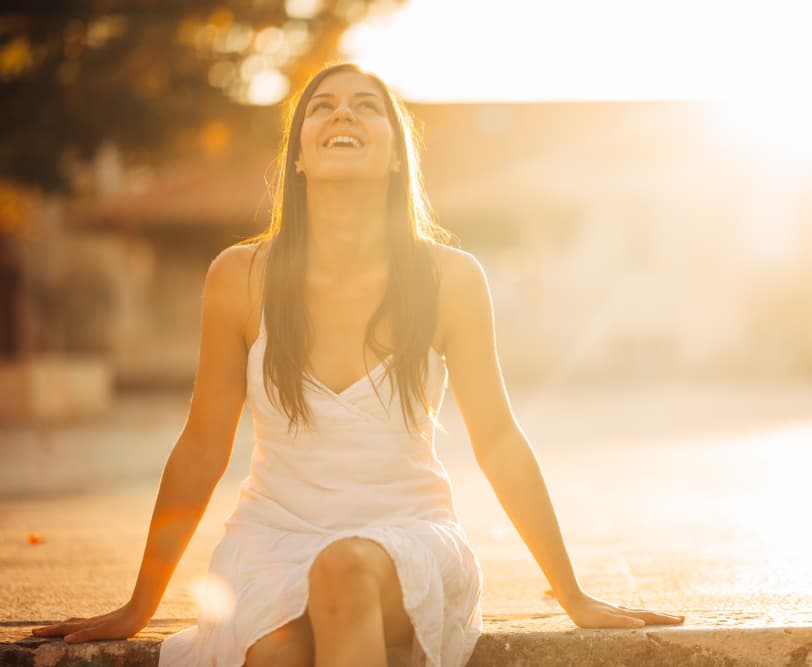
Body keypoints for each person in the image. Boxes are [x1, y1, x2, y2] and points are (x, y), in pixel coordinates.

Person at [30, 62, 685, 666]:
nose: (342, 114)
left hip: (408, 539)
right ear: (301, 158)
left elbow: (500, 439)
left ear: (397, 154)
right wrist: (138, 605)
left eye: (366, 106)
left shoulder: (448, 278)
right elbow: (203, 444)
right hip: (272, 538)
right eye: (323, 107)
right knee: (277, 650)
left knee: (343, 569)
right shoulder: (239, 276)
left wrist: (572, 593)